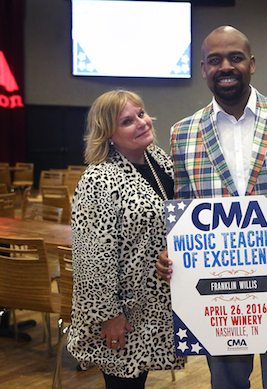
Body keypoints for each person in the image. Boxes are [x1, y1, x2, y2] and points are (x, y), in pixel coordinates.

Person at [156, 26, 267, 389]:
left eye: (235, 57)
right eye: (215, 60)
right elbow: (184, 212)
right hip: (215, 298)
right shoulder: (183, 132)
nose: (226, 66)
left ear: (251, 64)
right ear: (203, 69)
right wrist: (171, 251)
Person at [67, 90, 184, 389]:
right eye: (127, 121)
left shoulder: (159, 161)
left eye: (141, 114)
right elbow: (91, 258)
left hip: (153, 304)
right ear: (108, 135)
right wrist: (109, 316)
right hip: (121, 310)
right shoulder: (98, 179)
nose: (142, 123)